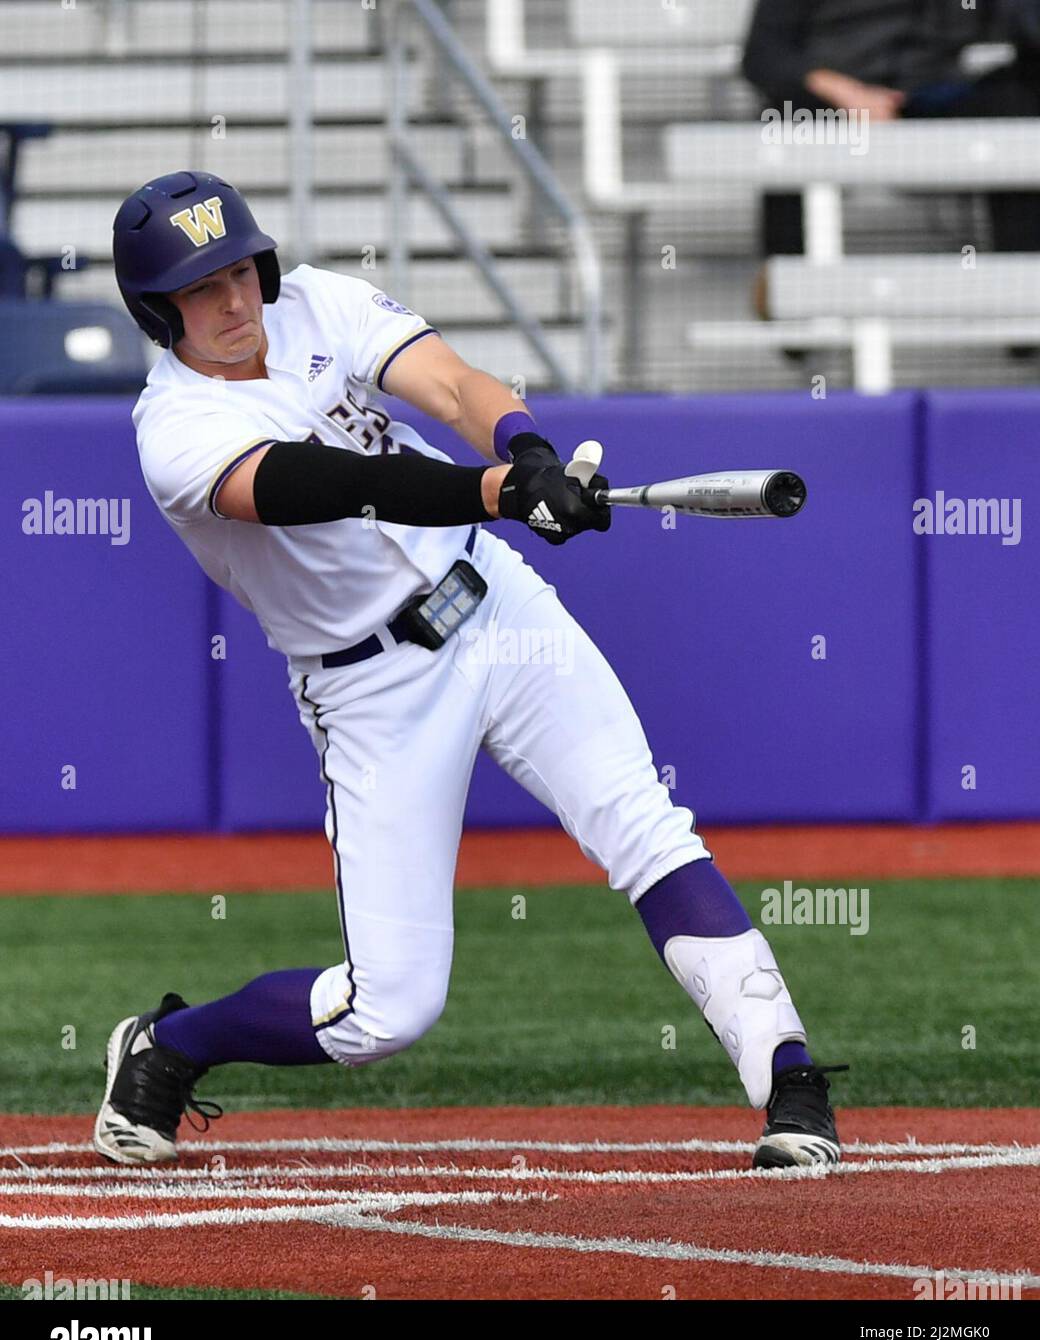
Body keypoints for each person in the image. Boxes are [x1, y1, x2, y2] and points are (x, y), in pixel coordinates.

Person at [96, 169, 843, 1171]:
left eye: (239, 270)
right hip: (370, 685)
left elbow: (449, 385)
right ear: (157, 309)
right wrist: (495, 489)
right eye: (199, 288)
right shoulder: (173, 429)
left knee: (639, 820)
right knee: (385, 1011)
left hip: (496, 604)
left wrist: (526, 450)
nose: (232, 300)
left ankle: (788, 1078)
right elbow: (332, 485)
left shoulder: (320, 299)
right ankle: (169, 1044)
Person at [742, 0, 1040, 258]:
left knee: (1014, 105)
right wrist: (849, 95)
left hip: (934, 100)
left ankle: (1024, 282)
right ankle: (788, 285)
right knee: (788, 119)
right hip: (833, 104)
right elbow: (763, 56)